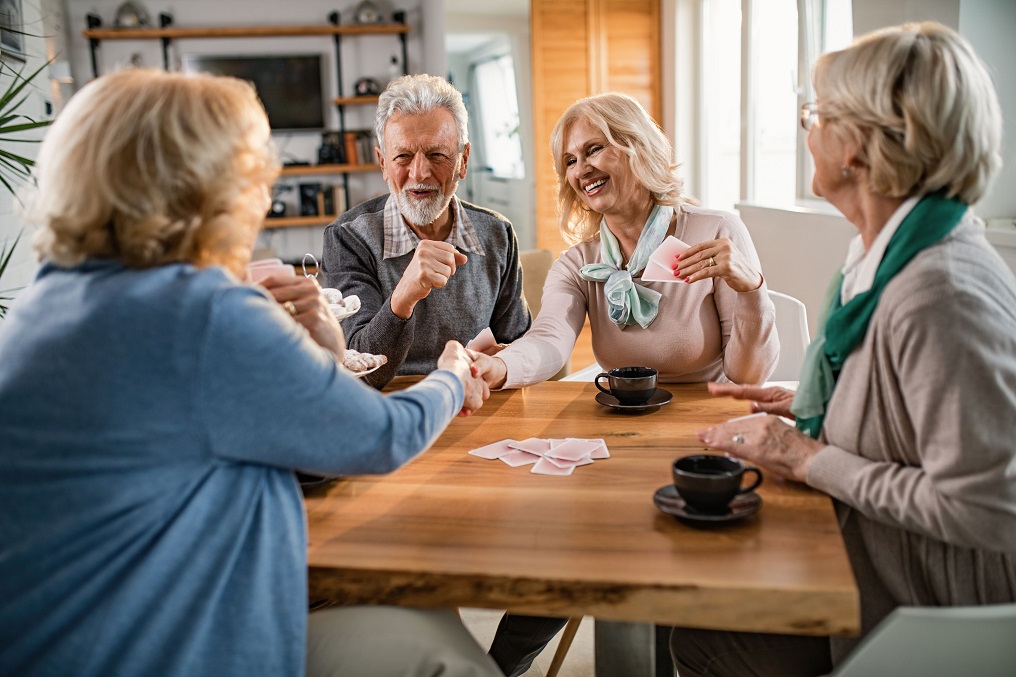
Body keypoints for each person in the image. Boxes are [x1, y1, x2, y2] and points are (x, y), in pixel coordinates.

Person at [0, 68, 499, 677]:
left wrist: (316, 349)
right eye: (253, 174)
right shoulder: (203, 308)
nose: (262, 194)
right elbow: (380, 437)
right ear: (206, 186)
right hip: (164, 648)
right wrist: (450, 374)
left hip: (70, 638)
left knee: (425, 610)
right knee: (447, 656)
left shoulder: (42, 305)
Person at [671, 22, 1016, 676]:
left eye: (816, 115)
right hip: (879, 564)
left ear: (855, 146)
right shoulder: (881, 252)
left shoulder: (938, 291)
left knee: (703, 635)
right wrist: (809, 403)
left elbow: (985, 507)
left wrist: (808, 456)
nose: (807, 130)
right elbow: (908, 411)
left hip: (927, 610)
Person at [477, 92, 780, 676]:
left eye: (595, 149)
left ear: (637, 148)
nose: (581, 168)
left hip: (702, 435)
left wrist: (751, 285)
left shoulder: (714, 230)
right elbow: (548, 343)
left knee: (664, 555)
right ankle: (495, 670)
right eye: (570, 160)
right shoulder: (581, 261)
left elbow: (748, 376)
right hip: (619, 432)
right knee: (567, 541)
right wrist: (500, 367)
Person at [322, 74, 532, 389]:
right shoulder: (348, 237)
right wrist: (404, 295)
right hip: (392, 410)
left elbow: (520, 352)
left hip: (476, 403)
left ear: (463, 160)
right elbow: (363, 376)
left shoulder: (497, 233)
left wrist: (504, 362)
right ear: (382, 163)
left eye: (437, 155)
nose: (420, 173)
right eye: (403, 157)